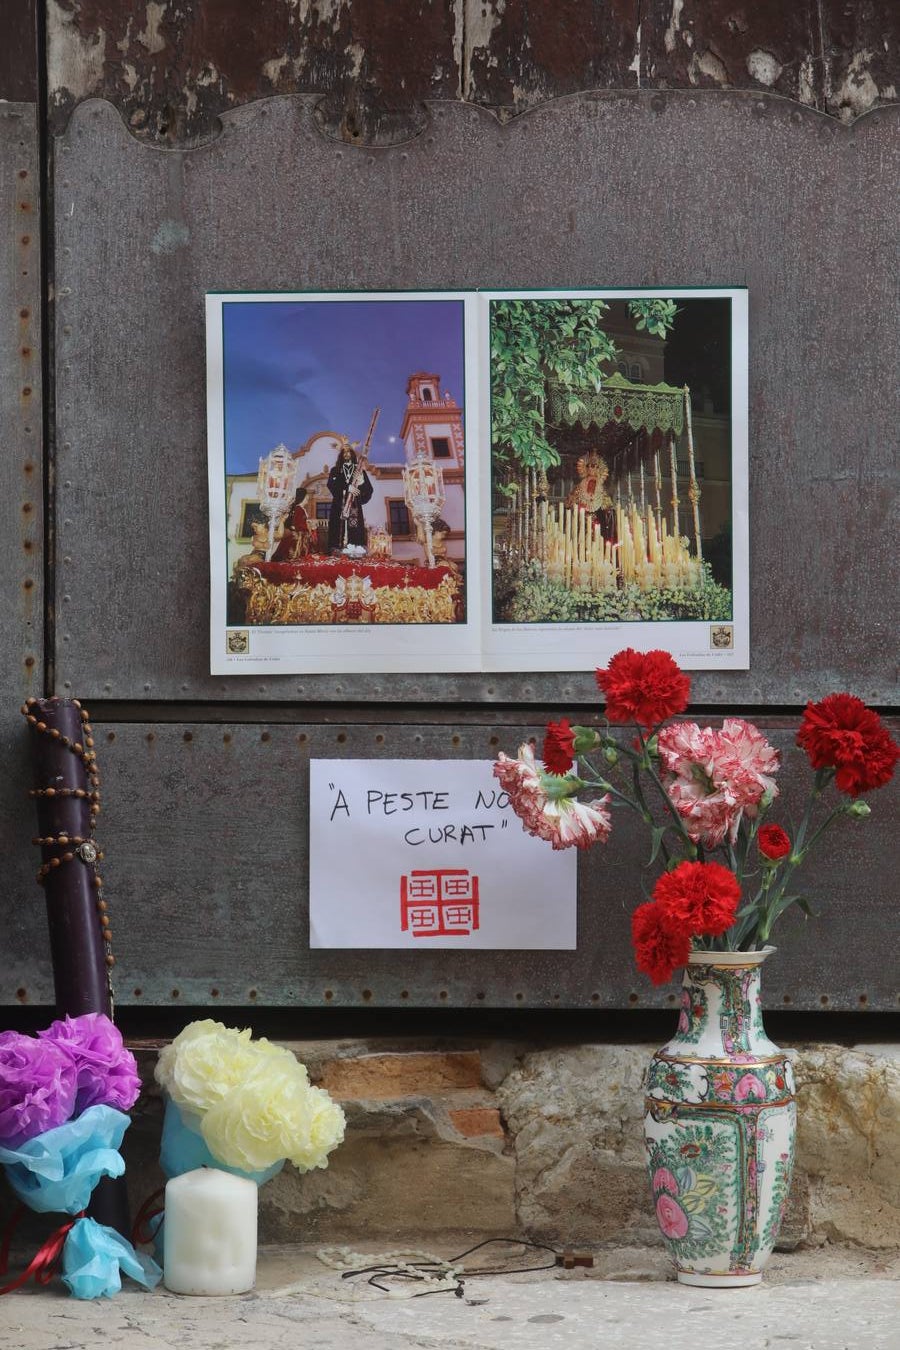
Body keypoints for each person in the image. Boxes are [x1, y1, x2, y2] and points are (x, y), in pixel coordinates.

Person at [327, 439, 373, 550]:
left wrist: (361, 483)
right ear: (341, 455)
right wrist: (347, 487)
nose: (346, 454)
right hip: (339, 505)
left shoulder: (359, 470)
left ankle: (355, 547)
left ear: (352, 454)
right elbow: (331, 484)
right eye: (344, 452)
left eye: (349, 452)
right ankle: (337, 548)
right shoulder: (335, 470)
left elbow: (369, 490)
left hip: (354, 505)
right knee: (338, 526)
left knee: (354, 527)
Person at [272, 486, 311, 562]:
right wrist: (307, 527)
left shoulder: (301, 509)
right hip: (299, 535)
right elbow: (297, 523)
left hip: (301, 534)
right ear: (303, 497)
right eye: (306, 497)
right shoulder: (298, 509)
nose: (307, 498)